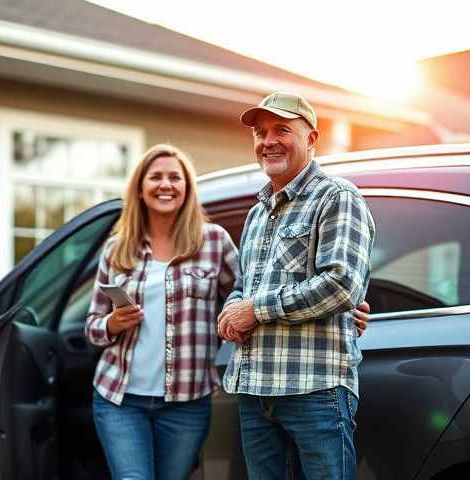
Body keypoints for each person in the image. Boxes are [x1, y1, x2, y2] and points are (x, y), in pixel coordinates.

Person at [218, 91, 376, 479]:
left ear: (311, 138)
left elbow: (341, 286)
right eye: (260, 132)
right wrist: (232, 311)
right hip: (254, 391)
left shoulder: (337, 196)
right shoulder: (257, 213)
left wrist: (255, 311)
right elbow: (244, 286)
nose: (267, 141)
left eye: (282, 129)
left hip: (314, 390)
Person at [85, 144, 240, 479]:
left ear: (187, 188)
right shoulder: (117, 248)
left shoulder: (213, 242)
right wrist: (111, 323)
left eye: (175, 177)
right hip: (119, 399)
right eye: (155, 177)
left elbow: (245, 300)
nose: (165, 184)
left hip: (187, 403)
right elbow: (92, 326)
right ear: (141, 189)